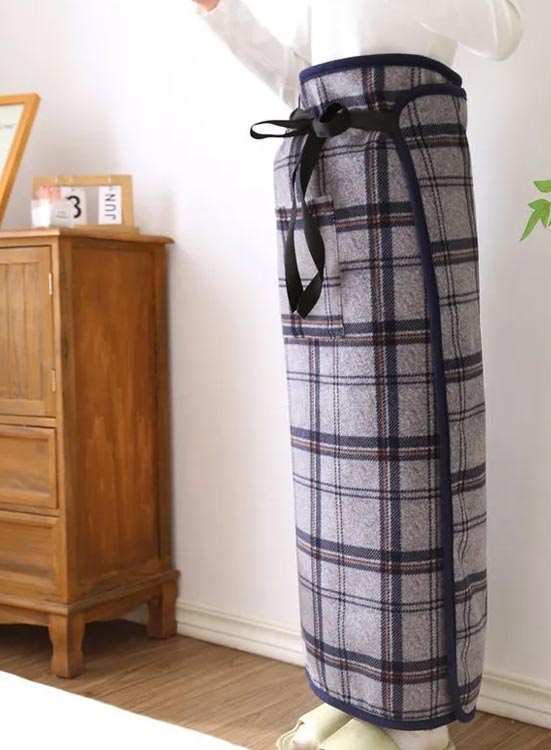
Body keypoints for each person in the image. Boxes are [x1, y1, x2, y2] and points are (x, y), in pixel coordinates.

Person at [194, 3, 524, 749]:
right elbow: (296, 77)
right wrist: (220, 13)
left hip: (405, 179)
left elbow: (503, 32)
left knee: (410, 454)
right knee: (330, 464)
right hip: (324, 186)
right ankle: (355, 692)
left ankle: (420, 720)